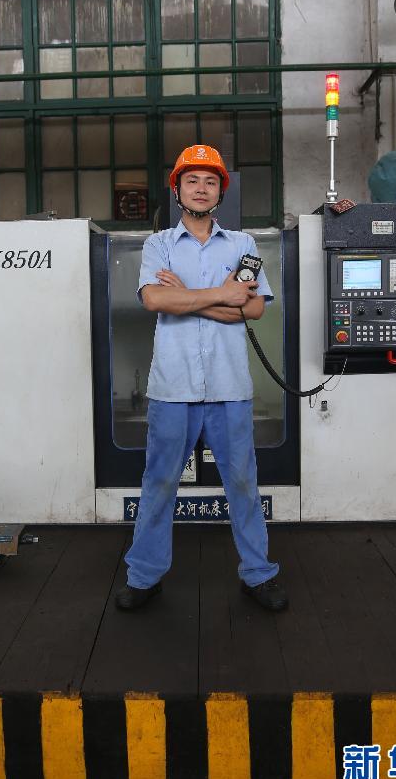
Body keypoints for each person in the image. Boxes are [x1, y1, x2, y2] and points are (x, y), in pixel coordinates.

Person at [115, 144, 288, 613]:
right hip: (172, 388)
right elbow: (154, 300)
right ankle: (144, 577)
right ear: (177, 189)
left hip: (230, 387)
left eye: (210, 181)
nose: (201, 188)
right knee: (159, 483)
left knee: (243, 484)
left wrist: (188, 296)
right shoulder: (159, 245)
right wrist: (221, 296)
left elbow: (253, 308)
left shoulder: (242, 246)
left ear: (220, 192)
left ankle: (258, 574)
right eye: (192, 180)